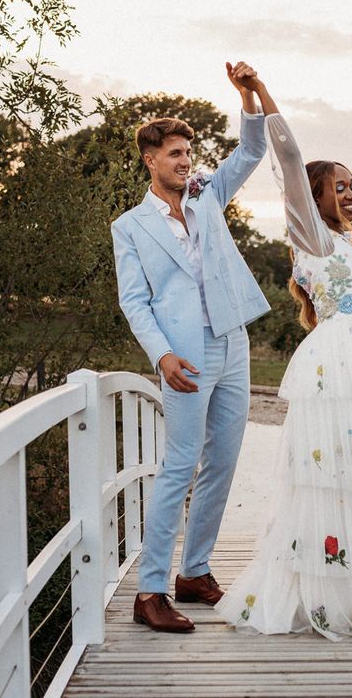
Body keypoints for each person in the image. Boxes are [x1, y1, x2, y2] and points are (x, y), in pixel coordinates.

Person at [215, 72, 352, 640]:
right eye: (340, 186)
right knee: (326, 475)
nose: (351, 193)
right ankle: (314, 593)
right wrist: (257, 92)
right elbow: (289, 156)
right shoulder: (313, 237)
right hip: (335, 364)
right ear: (315, 197)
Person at [111, 62, 270, 633]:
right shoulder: (129, 227)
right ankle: (150, 590)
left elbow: (251, 153)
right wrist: (160, 354)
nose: (185, 162)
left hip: (233, 338)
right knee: (180, 465)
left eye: (189, 153)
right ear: (150, 160)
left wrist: (249, 96)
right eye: (174, 154)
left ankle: (194, 572)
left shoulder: (208, 196)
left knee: (223, 462)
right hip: (182, 352)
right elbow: (135, 301)